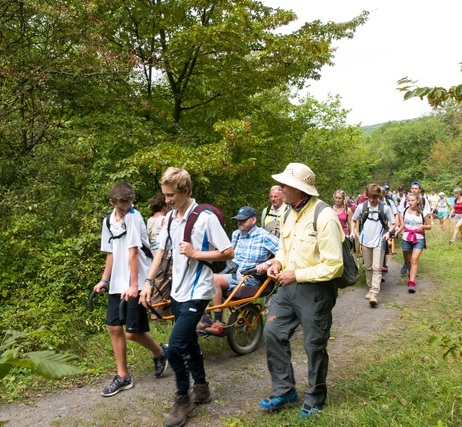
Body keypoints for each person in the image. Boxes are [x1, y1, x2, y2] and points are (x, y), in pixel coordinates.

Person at [139, 167, 234, 427]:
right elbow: (159, 252)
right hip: (177, 291)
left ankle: (183, 398)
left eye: (171, 195)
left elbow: (228, 252)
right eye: (165, 195)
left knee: (176, 347)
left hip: (199, 290)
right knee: (190, 340)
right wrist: (148, 282)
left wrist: (196, 254)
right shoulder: (169, 218)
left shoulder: (204, 218)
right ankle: (201, 388)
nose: (167, 200)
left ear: (185, 191)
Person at [259, 163, 343, 419]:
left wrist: (296, 274)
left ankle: (315, 398)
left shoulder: (324, 215)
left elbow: (334, 266)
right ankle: (285, 391)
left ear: (299, 188)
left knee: (313, 345)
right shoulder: (288, 213)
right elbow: (285, 249)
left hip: (315, 290)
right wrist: (276, 262)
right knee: (272, 332)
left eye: (284, 185)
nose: (280, 188)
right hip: (287, 287)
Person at [92, 183, 168, 398]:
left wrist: (134, 285)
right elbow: (111, 253)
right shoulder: (108, 221)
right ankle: (123, 376)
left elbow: (133, 252)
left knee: (132, 332)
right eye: (122, 206)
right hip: (117, 283)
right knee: (114, 328)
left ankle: (161, 353)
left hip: (136, 280)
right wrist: (104, 280)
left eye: (129, 204)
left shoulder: (133, 217)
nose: (126, 209)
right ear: (112, 202)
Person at [201, 206, 279, 335]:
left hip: (250, 276)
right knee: (201, 277)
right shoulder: (236, 234)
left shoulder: (264, 236)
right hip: (233, 272)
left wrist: (268, 263)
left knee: (214, 279)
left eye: (243, 220)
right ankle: (204, 318)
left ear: (253, 220)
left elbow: (284, 252)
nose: (239, 223)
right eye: (238, 220)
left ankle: (218, 321)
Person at [352, 184, 396, 307]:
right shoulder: (362, 207)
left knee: (377, 268)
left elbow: (393, 223)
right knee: (368, 266)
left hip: (378, 241)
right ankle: (371, 288)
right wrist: (354, 231)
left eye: (374, 197)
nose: (371, 200)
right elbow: (353, 220)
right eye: (370, 197)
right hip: (365, 240)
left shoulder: (385, 208)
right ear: (367, 195)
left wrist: (388, 234)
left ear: (379, 196)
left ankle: (374, 293)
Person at [396, 192, 431, 293]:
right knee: (408, 261)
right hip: (406, 237)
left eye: (412, 200)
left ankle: (412, 282)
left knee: (414, 259)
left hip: (418, 237)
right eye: (409, 200)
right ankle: (411, 274)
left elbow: (429, 226)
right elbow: (403, 224)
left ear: (418, 201)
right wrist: (397, 232)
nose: (410, 202)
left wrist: (423, 227)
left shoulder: (423, 212)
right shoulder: (404, 211)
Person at [146, 194, 171, 318]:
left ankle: (167, 311)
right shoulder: (164, 219)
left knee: (158, 283)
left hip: (153, 255)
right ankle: (155, 315)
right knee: (163, 283)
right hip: (164, 255)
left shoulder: (150, 220)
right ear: (163, 205)